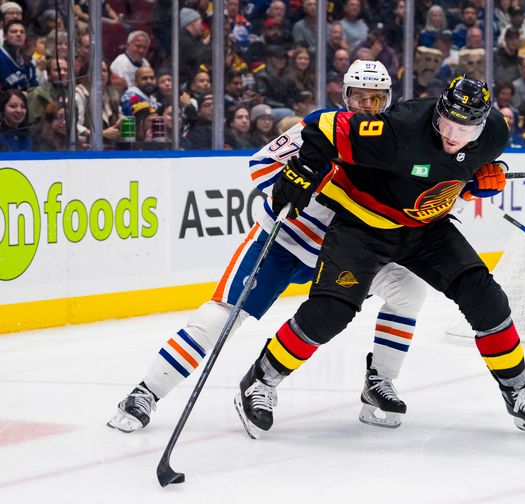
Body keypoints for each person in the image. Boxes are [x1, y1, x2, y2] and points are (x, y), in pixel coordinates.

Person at [233, 75, 525, 440]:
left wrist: (480, 178)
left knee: (485, 296)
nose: (453, 136)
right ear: (438, 113)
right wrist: (304, 169)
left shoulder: (494, 134)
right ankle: (261, 379)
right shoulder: (400, 127)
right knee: (331, 311)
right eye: (447, 124)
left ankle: (517, 392)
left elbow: (451, 172)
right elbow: (323, 126)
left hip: (427, 230)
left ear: (482, 126)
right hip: (363, 225)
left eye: (464, 131)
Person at [108, 60, 427, 433]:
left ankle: (379, 382)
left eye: (376, 99)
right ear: (346, 97)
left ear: (387, 101)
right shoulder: (320, 126)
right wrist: (301, 178)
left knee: (408, 288)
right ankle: (145, 392)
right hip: (283, 241)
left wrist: (467, 176)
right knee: (221, 316)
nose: (367, 107)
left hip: (343, 253)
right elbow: (260, 166)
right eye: (360, 98)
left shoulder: (394, 144)